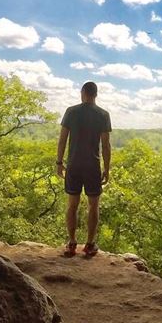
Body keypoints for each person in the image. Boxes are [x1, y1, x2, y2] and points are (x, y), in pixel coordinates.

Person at [56, 81, 111, 257]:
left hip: (73, 165)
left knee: (72, 204)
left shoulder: (71, 112)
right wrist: (107, 169)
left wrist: (59, 162)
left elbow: (62, 139)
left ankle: (72, 243)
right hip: (92, 166)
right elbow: (106, 145)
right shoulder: (103, 114)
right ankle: (89, 244)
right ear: (96, 94)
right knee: (93, 205)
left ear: (82, 93)